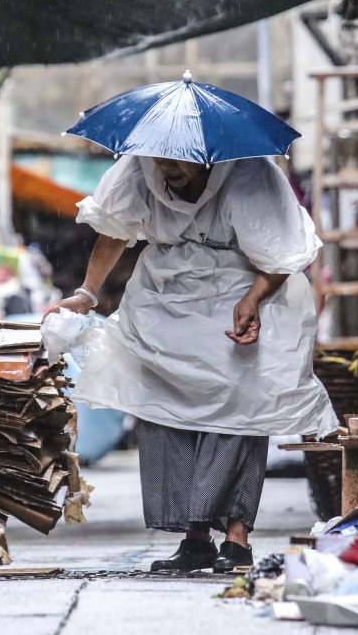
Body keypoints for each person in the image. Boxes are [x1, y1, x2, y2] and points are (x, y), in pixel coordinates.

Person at [55, 154, 338, 573]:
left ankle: (237, 539)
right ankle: (196, 538)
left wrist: (252, 300)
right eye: (159, 157)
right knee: (165, 410)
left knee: (238, 411)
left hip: (241, 290)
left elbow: (281, 257)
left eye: (179, 161)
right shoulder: (137, 172)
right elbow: (114, 233)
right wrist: (88, 293)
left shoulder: (250, 176)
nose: (165, 167)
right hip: (165, 297)